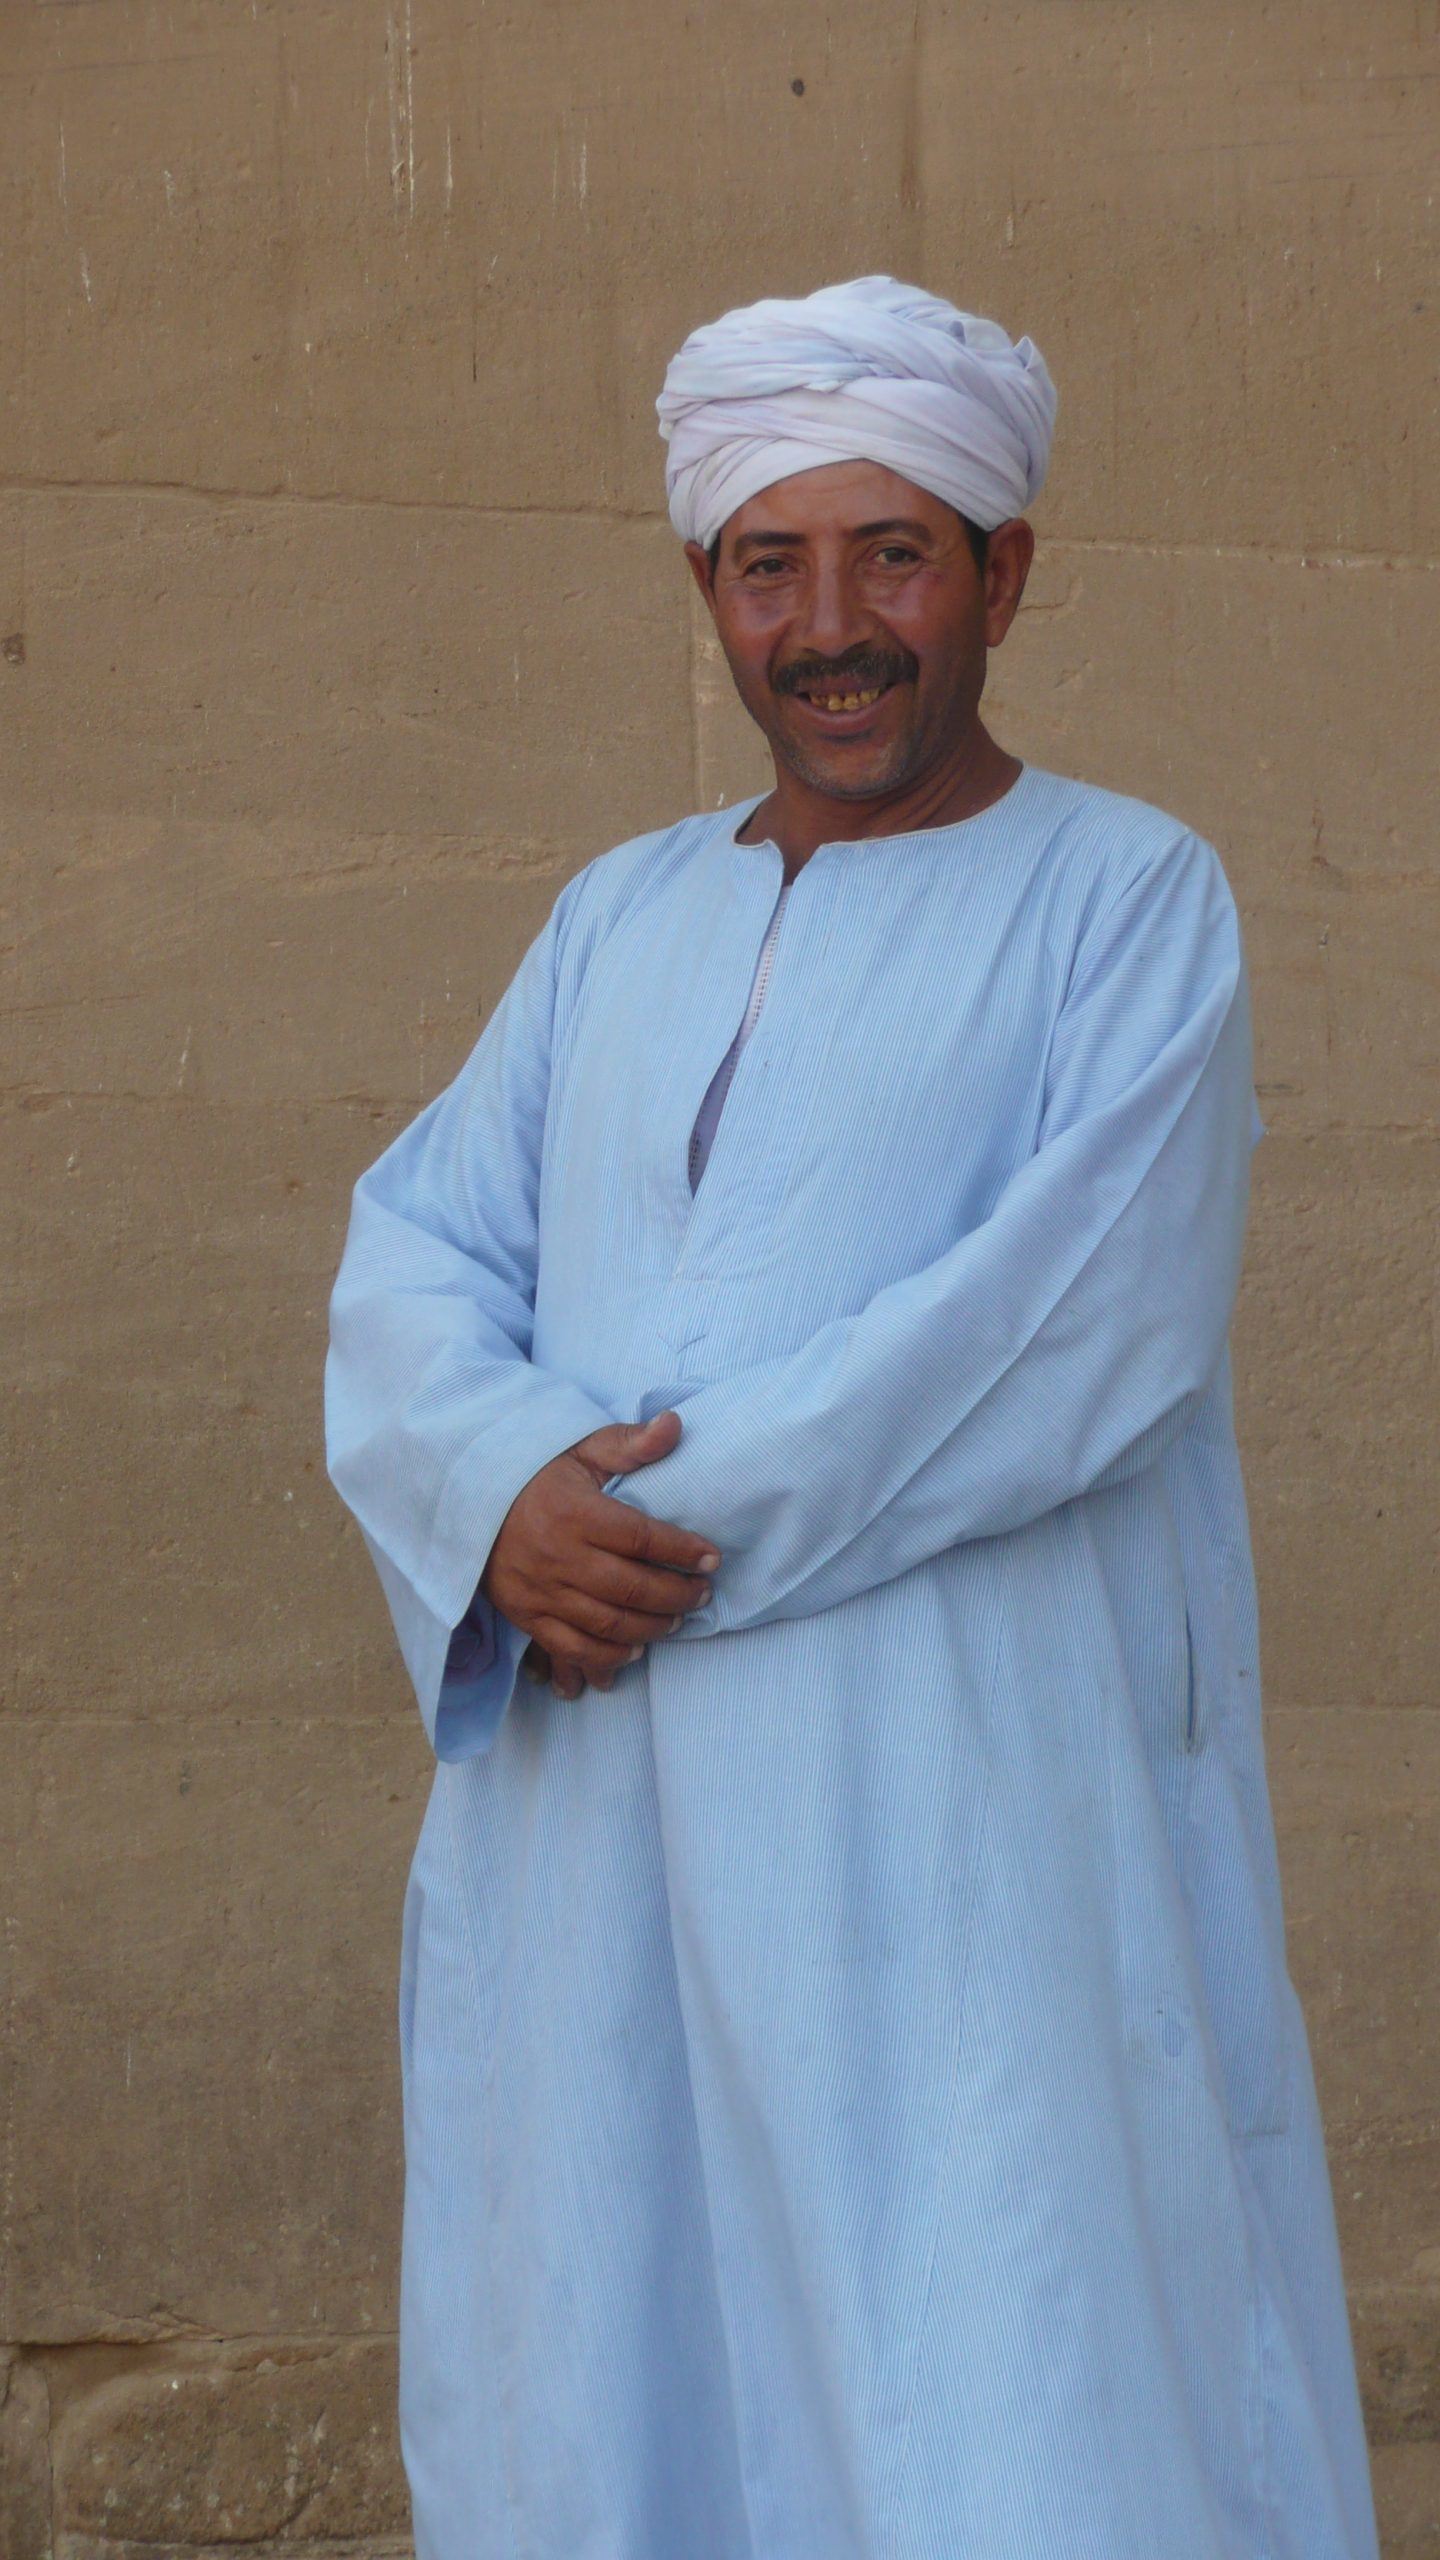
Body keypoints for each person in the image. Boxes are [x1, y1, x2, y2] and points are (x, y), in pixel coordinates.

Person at [325, 276, 1379, 2559]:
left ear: (1008, 570)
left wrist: (637, 1532)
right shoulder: (615, 919)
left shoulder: (1128, 900)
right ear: (708, 587)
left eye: (894, 553)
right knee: (605, 2349)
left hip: (951, 1815)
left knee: (991, 2340)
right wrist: (495, 1491)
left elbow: (1056, 1325)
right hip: (594, 1825)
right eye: (770, 562)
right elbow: (419, 1251)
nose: (833, 623)